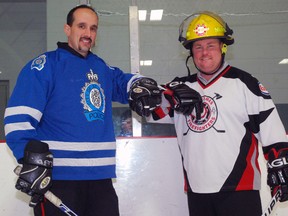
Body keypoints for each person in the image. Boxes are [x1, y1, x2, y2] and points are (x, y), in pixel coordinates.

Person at [4, 4, 161, 216]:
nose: (88, 33)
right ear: (67, 29)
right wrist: (28, 158)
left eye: (93, 28)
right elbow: (18, 118)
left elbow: (123, 81)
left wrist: (138, 84)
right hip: (59, 180)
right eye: (82, 26)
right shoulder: (44, 66)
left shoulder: (101, 68)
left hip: (100, 181)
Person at [146, 11, 288, 215]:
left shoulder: (245, 84)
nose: (204, 52)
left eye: (210, 45)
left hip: (239, 190)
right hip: (197, 192)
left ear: (223, 47)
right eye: (198, 46)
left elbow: (271, 131)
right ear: (191, 52)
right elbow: (150, 112)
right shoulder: (179, 89)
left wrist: (280, 163)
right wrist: (142, 91)